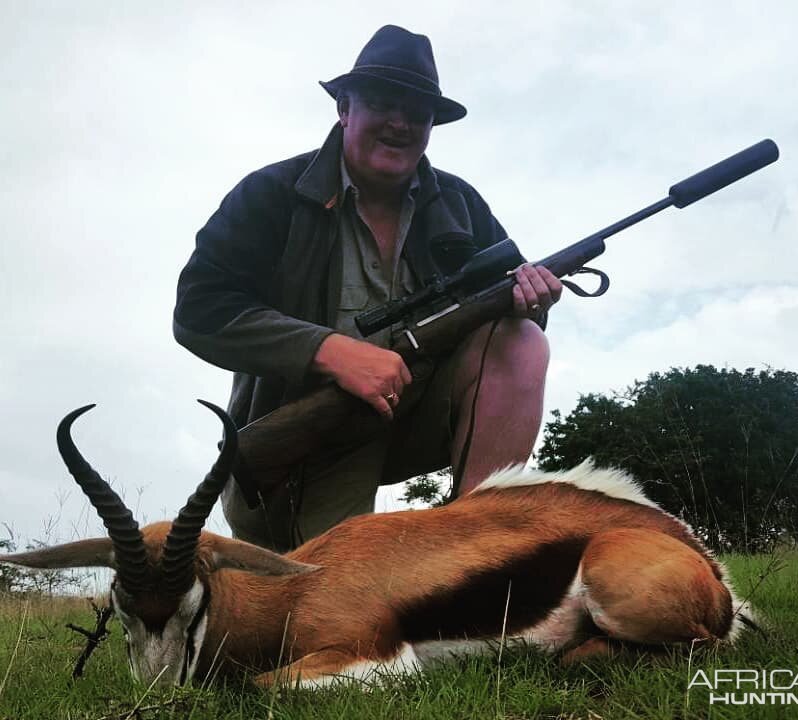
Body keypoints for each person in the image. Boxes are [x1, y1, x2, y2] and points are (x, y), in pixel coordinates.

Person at [174, 25, 562, 552]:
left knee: (520, 342)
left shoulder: (458, 204)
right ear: (344, 107)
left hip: (413, 423)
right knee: (330, 610)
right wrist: (330, 352)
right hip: (305, 443)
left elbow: (504, 302)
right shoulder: (270, 194)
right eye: (383, 102)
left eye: (418, 113)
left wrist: (531, 301)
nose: (401, 123)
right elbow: (200, 308)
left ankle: (481, 551)